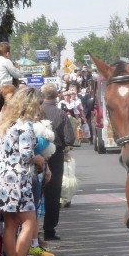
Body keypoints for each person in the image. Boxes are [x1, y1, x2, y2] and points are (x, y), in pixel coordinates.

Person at [0, 88, 46, 256]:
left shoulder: (5, 123)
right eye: (38, 104)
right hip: (18, 179)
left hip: (3, 178)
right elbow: (25, 155)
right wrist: (39, 159)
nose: (40, 108)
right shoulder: (25, 126)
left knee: (10, 224)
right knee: (29, 223)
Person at [40, 82, 75, 242]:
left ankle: (32, 230)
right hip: (55, 155)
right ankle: (49, 229)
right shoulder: (60, 114)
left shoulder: (37, 112)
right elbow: (69, 137)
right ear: (56, 96)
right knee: (53, 193)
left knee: (36, 192)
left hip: (37, 154)